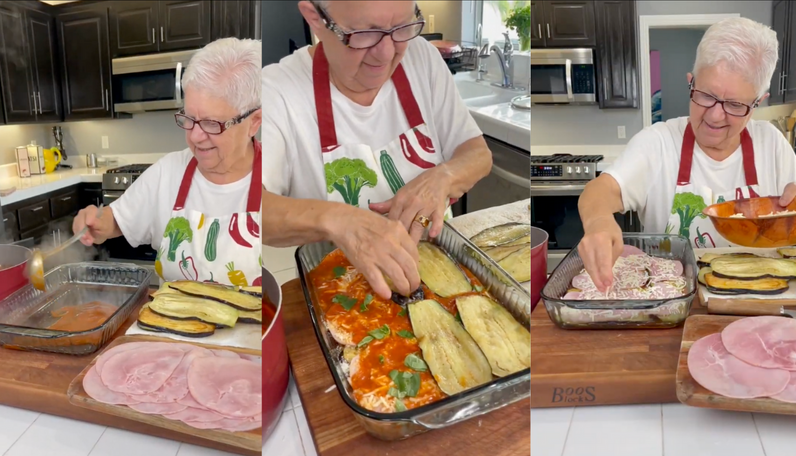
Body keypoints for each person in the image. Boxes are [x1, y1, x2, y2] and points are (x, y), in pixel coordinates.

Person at [260, 0, 492, 300]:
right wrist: (341, 221)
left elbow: (478, 154)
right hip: (341, 297)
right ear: (314, 17)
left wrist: (443, 177)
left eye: (402, 28)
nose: (386, 53)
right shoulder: (277, 93)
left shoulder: (422, 59)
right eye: (364, 34)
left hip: (443, 284)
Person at [577, 17, 796, 291]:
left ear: (756, 104)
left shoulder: (772, 144)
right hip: (669, 307)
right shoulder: (658, 142)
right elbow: (599, 191)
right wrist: (599, 221)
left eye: (734, 104)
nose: (716, 116)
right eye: (706, 95)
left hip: (759, 305)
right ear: (691, 82)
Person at [72, 38, 263, 287]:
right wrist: (96, 221)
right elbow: (116, 220)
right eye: (189, 118)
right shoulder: (168, 172)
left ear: (254, 122)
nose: (195, 136)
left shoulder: (277, 176)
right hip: (171, 324)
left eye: (211, 123)